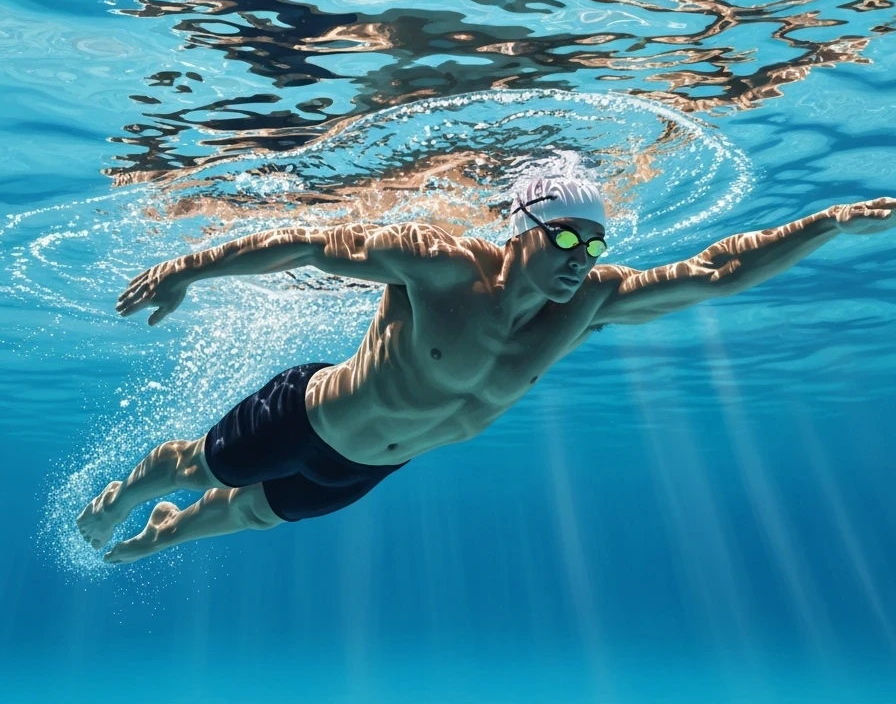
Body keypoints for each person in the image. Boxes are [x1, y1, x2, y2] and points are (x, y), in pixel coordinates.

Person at [77, 176, 895, 564]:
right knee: (196, 465)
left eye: (595, 243)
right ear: (522, 228)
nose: (583, 259)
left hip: (368, 466)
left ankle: (162, 534)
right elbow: (305, 242)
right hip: (308, 415)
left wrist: (833, 219)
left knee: (249, 519)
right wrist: (191, 267)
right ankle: (129, 495)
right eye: (567, 237)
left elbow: (718, 269)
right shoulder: (437, 268)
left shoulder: (591, 302)